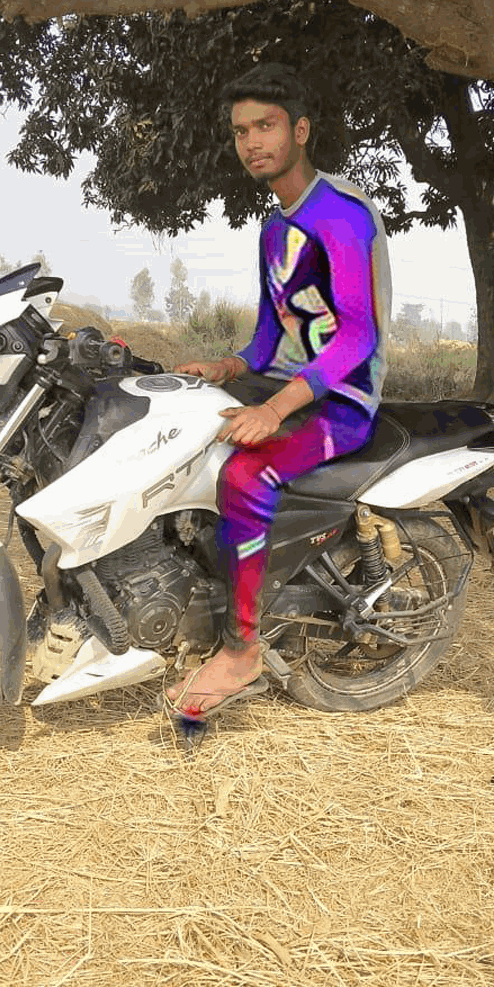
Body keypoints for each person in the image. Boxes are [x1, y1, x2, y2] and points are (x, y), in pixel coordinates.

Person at [167, 62, 393, 720]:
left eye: (265, 126)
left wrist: (272, 407)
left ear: (299, 130)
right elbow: (271, 335)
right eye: (241, 131)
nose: (252, 142)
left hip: (341, 401)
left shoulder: (340, 213)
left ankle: (241, 652)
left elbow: (356, 337)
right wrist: (227, 367)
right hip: (287, 386)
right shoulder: (274, 228)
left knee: (246, 476)